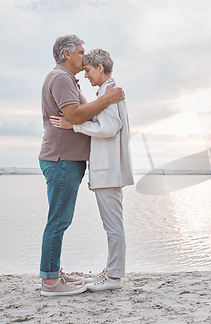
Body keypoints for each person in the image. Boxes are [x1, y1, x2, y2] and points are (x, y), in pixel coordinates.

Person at [38, 35, 124, 296]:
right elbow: (75, 115)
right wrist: (107, 99)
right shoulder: (62, 78)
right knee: (59, 220)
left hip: (66, 159)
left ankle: (53, 273)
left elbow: (89, 114)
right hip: (62, 159)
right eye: (80, 52)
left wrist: (105, 98)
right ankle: (51, 282)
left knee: (60, 219)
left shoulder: (67, 79)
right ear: (66, 54)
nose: (83, 58)